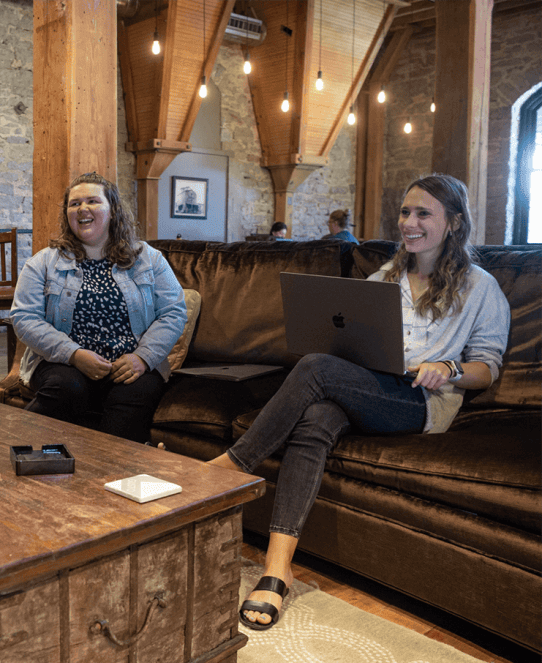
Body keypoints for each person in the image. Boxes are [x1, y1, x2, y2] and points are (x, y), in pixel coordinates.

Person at [206, 174, 510, 632]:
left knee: (315, 368)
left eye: (423, 213)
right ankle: (276, 568)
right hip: (370, 385)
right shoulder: (387, 275)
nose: (408, 222)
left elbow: (487, 368)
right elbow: (352, 338)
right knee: (317, 418)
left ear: (454, 222)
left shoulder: (480, 286)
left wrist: (448, 368)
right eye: (405, 212)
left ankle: (230, 466)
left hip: (421, 402)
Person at [9, 172, 187, 443]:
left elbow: (173, 312)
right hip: (63, 363)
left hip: (132, 364)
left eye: (93, 201)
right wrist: (74, 354)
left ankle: (111, 472)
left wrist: (143, 357)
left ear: (113, 210)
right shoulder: (42, 263)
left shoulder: (149, 259)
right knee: (66, 387)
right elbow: (24, 317)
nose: (82, 209)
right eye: (74, 203)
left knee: (132, 396)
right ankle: (23, 453)